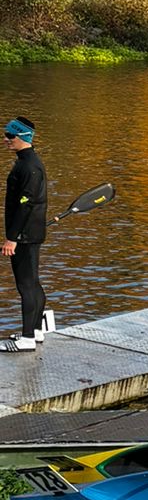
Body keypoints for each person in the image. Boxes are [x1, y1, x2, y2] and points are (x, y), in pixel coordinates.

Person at [2, 117, 48, 349]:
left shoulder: (28, 166)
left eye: (10, 136)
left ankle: (27, 338)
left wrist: (12, 237)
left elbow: (24, 204)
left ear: (23, 138)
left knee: (26, 285)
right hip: (31, 231)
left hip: (24, 236)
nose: (6, 140)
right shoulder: (29, 162)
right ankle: (37, 331)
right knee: (33, 283)